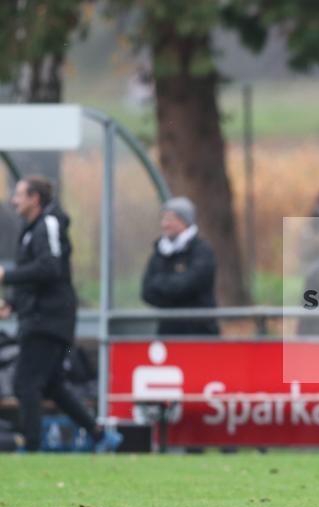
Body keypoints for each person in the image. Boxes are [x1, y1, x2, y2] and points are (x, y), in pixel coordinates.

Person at [0, 176, 121, 452]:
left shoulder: (49, 224)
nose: (14, 200)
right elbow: (37, 277)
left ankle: (31, 447)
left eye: (19, 195)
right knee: (52, 385)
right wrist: (13, 303)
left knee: (25, 383)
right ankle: (99, 434)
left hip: (49, 320)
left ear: (35, 199)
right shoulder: (31, 229)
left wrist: (7, 275)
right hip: (40, 316)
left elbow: (51, 268)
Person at [141, 197, 219, 336]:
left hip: (200, 334)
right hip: (167, 334)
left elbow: (191, 284)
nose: (165, 224)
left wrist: (162, 285)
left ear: (184, 221)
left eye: (170, 219)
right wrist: (174, 287)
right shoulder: (159, 252)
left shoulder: (202, 250)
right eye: (164, 219)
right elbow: (147, 292)